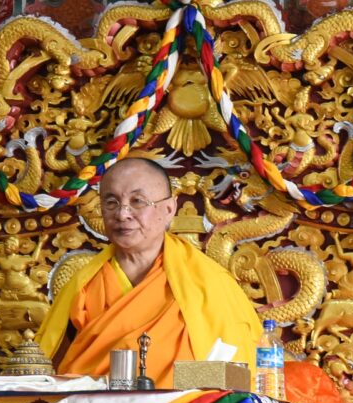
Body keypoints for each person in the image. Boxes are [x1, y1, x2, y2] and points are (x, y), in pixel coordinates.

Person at [36, 158, 261, 387]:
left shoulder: (209, 283)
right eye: (111, 202)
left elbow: (240, 376)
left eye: (138, 201)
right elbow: (48, 372)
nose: (122, 214)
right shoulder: (83, 285)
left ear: (169, 208)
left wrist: (163, 383)